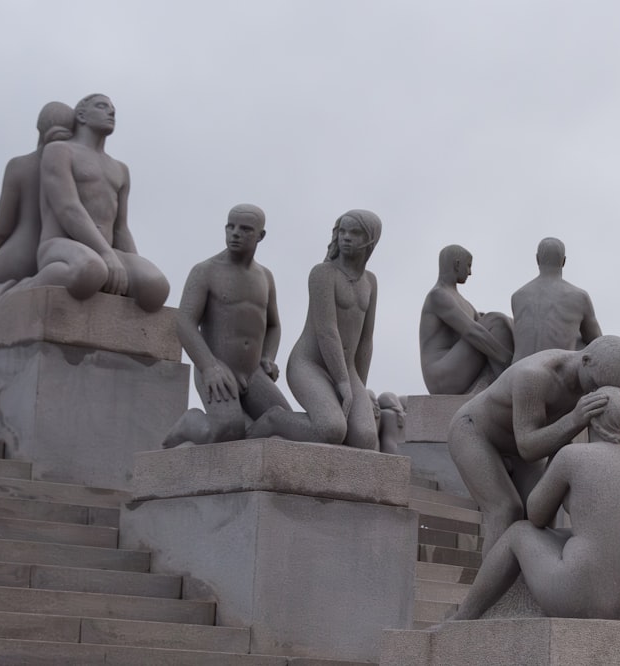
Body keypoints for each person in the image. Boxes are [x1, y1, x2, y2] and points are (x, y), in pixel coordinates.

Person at [447, 387, 620, 622]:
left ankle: (466, 615)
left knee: (518, 532)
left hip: (580, 597)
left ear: (592, 419)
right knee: (583, 536)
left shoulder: (572, 456)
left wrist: (556, 452)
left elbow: (536, 515)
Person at [448, 335, 620, 555]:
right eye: (594, 385)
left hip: (525, 441)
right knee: (506, 510)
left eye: (607, 390)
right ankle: (491, 589)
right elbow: (528, 448)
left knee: (541, 512)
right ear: (585, 361)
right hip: (475, 432)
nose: (596, 393)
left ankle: (528, 584)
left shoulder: (604, 376)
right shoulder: (536, 375)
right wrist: (575, 419)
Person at [248, 210, 382, 449]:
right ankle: (275, 420)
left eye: (355, 233)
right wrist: (342, 383)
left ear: (370, 240)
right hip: (309, 364)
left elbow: (366, 341)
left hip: (347, 369)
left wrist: (358, 387)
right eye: (342, 231)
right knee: (331, 429)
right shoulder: (323, 274)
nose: (346, 237)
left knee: (365, 438)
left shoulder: (370, 282)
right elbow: (326, 331)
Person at [161, 204, 290, 448]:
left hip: (253, 373)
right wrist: (209, 366)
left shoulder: (266, 277)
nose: (235, 233)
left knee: (286, 427)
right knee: (227, 429)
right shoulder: (205, 271)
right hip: (215, 366)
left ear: (260, 236)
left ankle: (244, 429)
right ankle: (191, 423)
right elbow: (185, 323)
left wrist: (268, 358)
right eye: (230, 227)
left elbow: (273, 325)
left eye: (245, 229)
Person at [30, 93, 169, 311]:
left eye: (113, 108)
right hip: (59, 245)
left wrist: (131, 266)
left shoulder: (120, 169)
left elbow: (121, 228)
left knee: (154, 287)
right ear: (82, 116)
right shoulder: (59, 151)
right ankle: (23, 290)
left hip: (105, 252)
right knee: (91, 270)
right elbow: (68, 208)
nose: (111, 112)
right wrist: (106, 254)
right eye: (102, 106)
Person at [0, 102, 75, 306]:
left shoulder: (20, 165)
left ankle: (6, 296)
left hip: (23, 251)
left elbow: (2, 228)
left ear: (39, 128)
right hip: (64, 251)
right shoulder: (77, 165)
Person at [419, 245, 514, 394]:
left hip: (454, 366)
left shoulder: (461, 300)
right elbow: (473, 332)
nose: (470, 272)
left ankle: (507, 382)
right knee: (495, 321)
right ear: (457, 264)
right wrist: (508, 359)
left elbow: (482, 324)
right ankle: (511, 382)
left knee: (500, 321)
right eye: (468, 266)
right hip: (441, 376)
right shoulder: (438, 296)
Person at [510, 237, 601, 363]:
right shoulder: (579, 296)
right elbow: (597, 342)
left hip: (517, 369)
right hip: (554, 369)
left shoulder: (517, 296)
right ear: (564, 261)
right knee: (582, 342)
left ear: (537, 259)